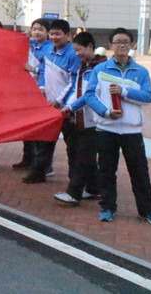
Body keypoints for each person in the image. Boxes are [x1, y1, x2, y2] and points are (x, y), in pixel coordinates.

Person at [84, 28, 151, 225]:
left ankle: (147, 211)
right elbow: (89, 95)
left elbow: (148, 97)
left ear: (131, 45)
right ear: (110, 46)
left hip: (131, 131)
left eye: (125, 42)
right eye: (117, 42)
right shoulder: (100, 70)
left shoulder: (141, 72)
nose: (121, 45)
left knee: (140, 173)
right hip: (106, 129)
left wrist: (124, 91)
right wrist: (105, 112)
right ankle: (108, 207)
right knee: (107, 171)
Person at [23, 19, 80, 184]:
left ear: (67, 35)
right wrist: (41, 88)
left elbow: (74, 82)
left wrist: (60, 101)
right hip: (49, 105)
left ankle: (75, 181)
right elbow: (43, 71)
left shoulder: (73, 55)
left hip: (67, 108)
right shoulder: (49, 52)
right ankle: (39, 171)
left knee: (73, 147)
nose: (54, 37)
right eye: (52, 34)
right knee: (44, 140)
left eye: (58, 34)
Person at [54, 31, 106, 205]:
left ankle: (74, 193)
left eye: (80, 50)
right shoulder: (83, 66)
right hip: (79, 118)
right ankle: (94, 188)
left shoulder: (99, 68)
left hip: (94, 120)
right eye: (75, 51)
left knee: (83, 158)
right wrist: (60, 102)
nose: (77, 54)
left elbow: (88, 95)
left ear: (90, 47)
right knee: (83, 156)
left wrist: (70, 107)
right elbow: (73, 86)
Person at [15, 18, 53, 170]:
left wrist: (34, 70)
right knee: (28, 127)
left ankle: (44, 166)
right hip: (27, 91)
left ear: (48, 32)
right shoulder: (31, 44)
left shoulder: (50, 48)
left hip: (42, 92)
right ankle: (28, 158)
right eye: (35, 29)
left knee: (41, 130)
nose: (37, 32)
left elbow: (48, 70)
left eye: (41, 29)